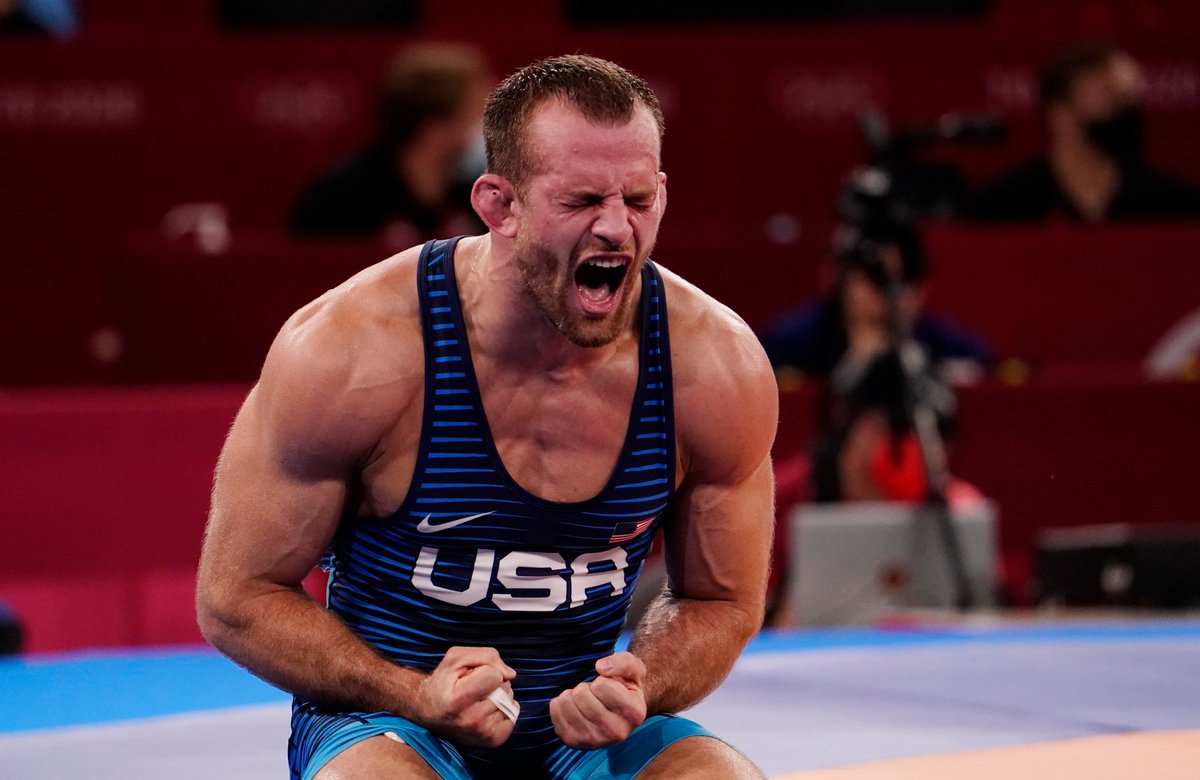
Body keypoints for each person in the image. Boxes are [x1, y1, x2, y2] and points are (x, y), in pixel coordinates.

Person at [197, 54, 777, 779]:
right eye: (582, 201)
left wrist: (641, 682)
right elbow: (235, 597)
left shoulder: (714, 366)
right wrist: (414, 692)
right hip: (396, 724)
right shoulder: (355, 349)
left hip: (585, 737)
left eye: (637, 199)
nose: (616, 229)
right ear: (498, 204)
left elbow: (722, 600)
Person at [961, 41, 1200, 223]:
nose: (1124, 112)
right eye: (1108, 97)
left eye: (1129, 100)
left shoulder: (1174, 206)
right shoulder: (1001, 206)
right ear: (1059, 114)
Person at [290, 42, 493, 248]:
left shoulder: (480, 200)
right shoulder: (338, 199)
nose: (486, 130)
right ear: (434, 128)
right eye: (476, 115)